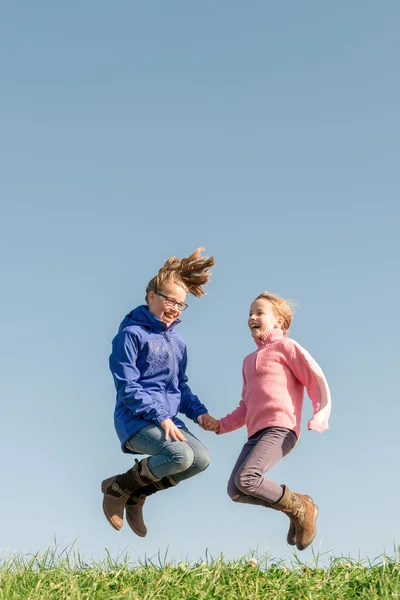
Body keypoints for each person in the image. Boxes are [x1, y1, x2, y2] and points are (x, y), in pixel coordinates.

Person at [201, 291, 331, 551]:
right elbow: (246, 406)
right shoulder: (248, 361)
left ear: (279, 322)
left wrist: (320, 412)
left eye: (259, 312)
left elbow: (313, 377)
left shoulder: (287, 347)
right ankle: (298, 506)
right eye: (250, 313)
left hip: (281, 428)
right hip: (255, 434)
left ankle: (301, 508)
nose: (252, 317)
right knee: (236, 490)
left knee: (248, 478)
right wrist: (220, 425)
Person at [102, 248, 215, 537]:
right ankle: (120, 486)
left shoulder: (177, 342)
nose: (175, 308)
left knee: (200, 459)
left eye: (181, 305)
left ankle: (138, 495)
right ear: (151, 296)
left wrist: (200, 413)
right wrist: (161, 416)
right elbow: (127, 386)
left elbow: (180, 387)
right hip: (136, 419)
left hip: (166, 420)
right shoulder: (130, 335)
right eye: (169, 300)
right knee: (180, 456)